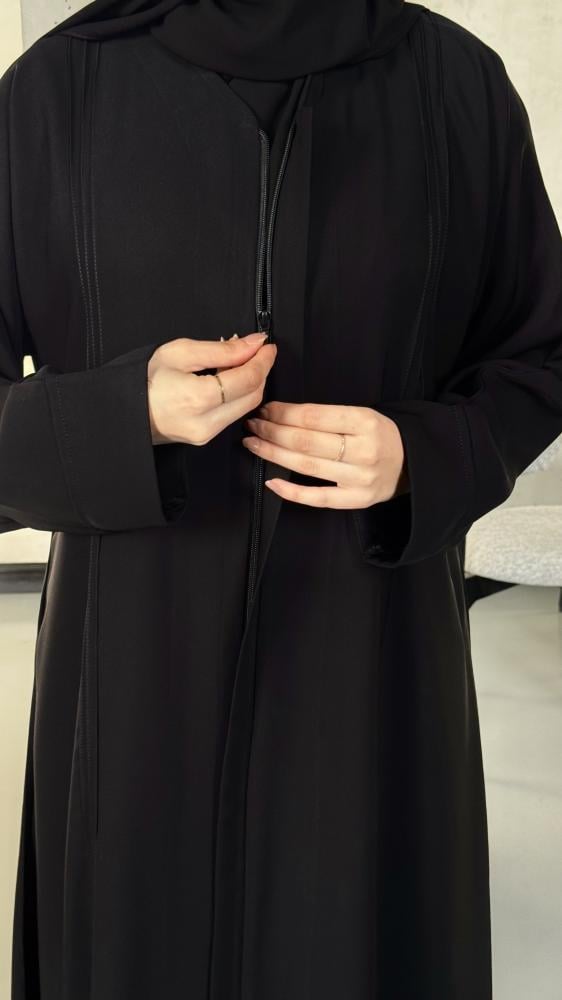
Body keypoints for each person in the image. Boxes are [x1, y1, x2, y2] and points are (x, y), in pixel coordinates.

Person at [2, 1, 561, 997]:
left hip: (374, 666)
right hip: (132, 681)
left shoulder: (454, 85)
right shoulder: (54, 91)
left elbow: (540, 352)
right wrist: (116, 418)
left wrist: (423, 454)